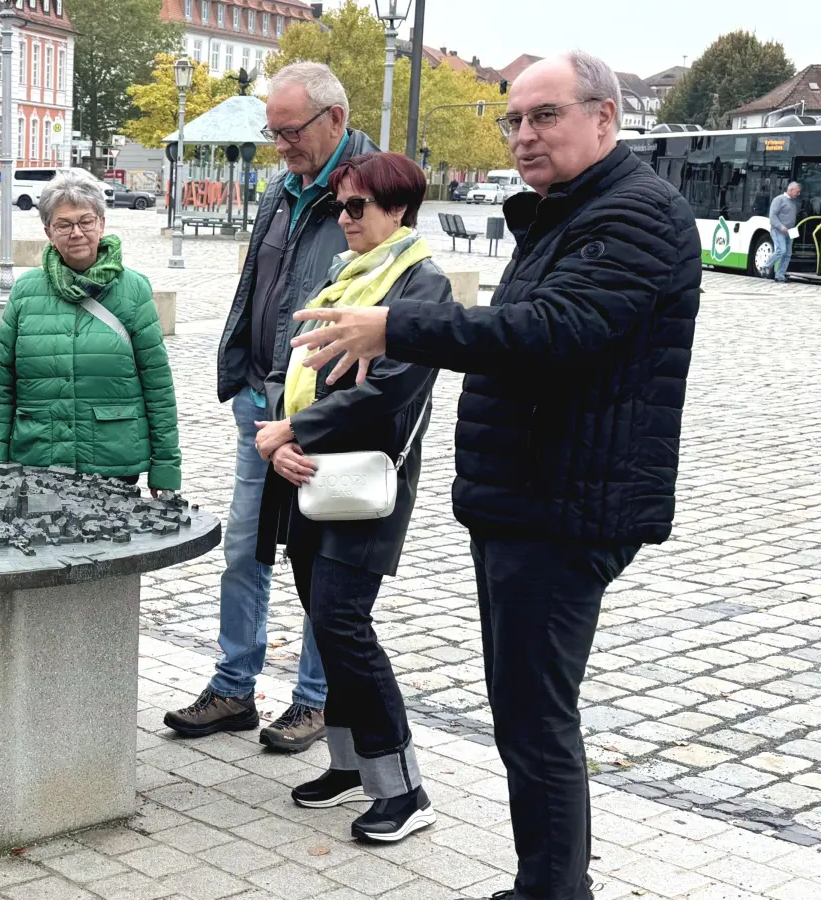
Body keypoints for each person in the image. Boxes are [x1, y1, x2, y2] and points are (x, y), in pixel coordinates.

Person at [289, 52, 700, 900]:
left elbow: (551, 331)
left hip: (568, 504)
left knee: (535, 717)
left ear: (605, 118)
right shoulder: (565, 211)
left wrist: (396, 326)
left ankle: (552, 888)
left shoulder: (637, 213)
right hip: (526, 497)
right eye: (512, 119)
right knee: (525, 711)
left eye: (544, 116)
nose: (523, 135)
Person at [164, 62, 378, 753]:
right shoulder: (282, 188)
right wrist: (242, 375)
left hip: (324, 409)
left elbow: (382, 299)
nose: (280, 144)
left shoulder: (371, 190)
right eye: (272, 131)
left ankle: (315, 699)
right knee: (244, 550)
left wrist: (316, 411)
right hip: (259, 399)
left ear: (335, 121)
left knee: (321, 559)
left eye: (290, 132)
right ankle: (233, 687)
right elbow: (260, 280)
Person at [254, 151, 449, 844]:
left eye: (357, 206)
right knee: (324, 621)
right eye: (340, 205)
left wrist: (293, 427)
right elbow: (293, 362)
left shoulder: (422, 285)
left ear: (398, 209)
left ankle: (406, 789)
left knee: (345, 624)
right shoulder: (345, 275)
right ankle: (349, 766)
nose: (343, 218)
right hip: (308, 472)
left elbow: (392, 389)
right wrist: (280, 438)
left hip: (365, 481)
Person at [0, 170, 180, 493]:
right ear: (48, 232)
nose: (76, 233)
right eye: (64, 224)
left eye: (85, 221)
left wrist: (166, 468)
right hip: (38, 460)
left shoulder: (134, 290)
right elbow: (0, 385)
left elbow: (157, 385)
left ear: (101, 223)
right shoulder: (25, 292)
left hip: (112, 461)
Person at [770, 181, 800, 282]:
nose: (798, 194)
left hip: (790, 232)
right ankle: (765, 266)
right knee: (781, 250)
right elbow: (772, 216)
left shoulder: (793, 202)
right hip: (778, 231)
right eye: (797, 191)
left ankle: (780, 275)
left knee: (787, 254)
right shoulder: (778, 200)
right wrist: (781, 226)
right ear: (791, 190)